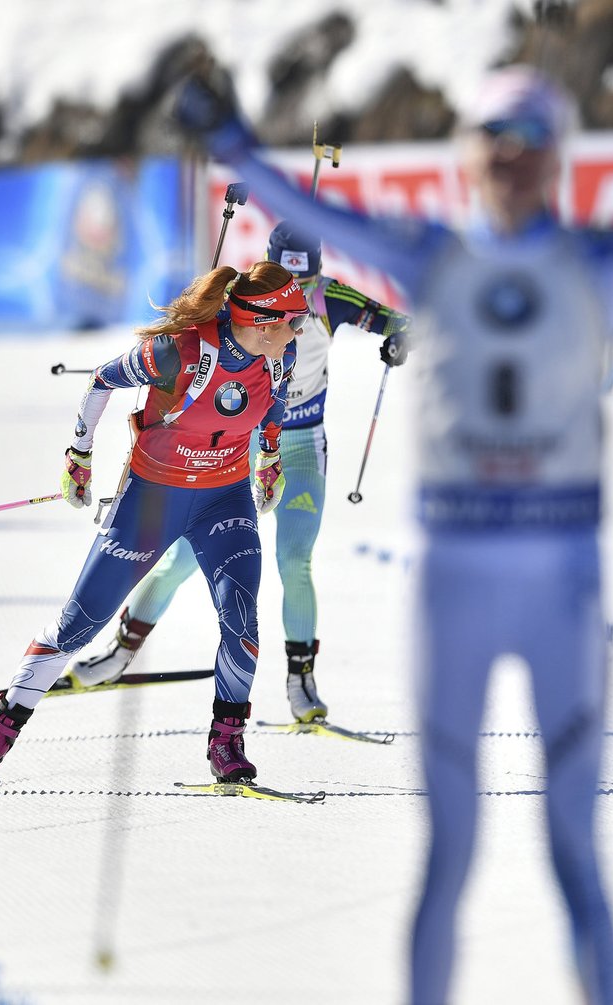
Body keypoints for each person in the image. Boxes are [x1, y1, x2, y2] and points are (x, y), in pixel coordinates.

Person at [174, 61, 613, 1005]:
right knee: (449, 855)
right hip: (456, 583)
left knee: (574, 852)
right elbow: (317, 216)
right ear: (467, 153)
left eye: (531, 141)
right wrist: (232, 146)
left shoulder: (593, 259)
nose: (510, 158)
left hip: (560, 586)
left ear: (557, 160)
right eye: (493, 138)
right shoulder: (432, 255)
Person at [0, 261, 307, 788]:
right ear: (265, 323)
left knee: (242, 620)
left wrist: (269, 458)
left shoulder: (280, 354)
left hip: (225, 498)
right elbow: (100, 381)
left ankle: (226, 743)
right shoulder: (182, 351)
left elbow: (270, 407)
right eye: (293, 322)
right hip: (153, 499)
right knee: (78, 625)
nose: (299, 333)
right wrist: (79, 456)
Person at [65, 221, 411, 724]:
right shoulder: (245, 303)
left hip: (298, 446)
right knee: (180, 557)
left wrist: (398, 340)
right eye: (294, 289)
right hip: (236, 446)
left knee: (295, 560)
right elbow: (196, 340)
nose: (303, 303)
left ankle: (300, 681)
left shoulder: (329, 297)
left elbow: (397, 321)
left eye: (310, 284)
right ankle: (121, 652)